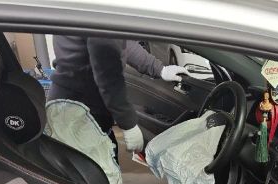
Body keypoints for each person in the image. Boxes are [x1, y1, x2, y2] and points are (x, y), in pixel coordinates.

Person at [48, 36, 189, 156]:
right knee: (94, 173)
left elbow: (124, 44)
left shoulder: (102, 19)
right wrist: (128, 123)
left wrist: (160, 69)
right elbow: (108, 75)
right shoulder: (99, 17)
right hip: (79, 112)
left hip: (75, 107)